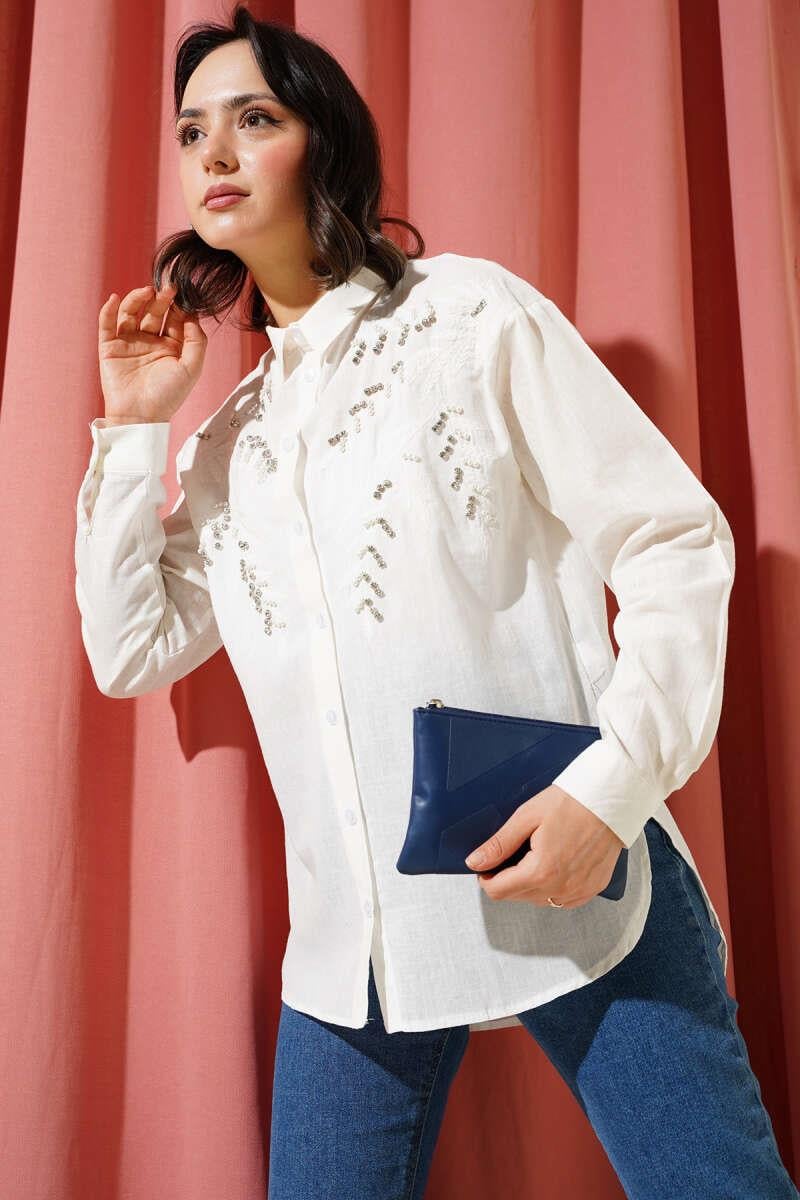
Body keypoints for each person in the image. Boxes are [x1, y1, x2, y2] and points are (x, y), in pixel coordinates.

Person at [74, 6, 800, 1198]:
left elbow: (671, 539)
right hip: (355, 947)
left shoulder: (467, 317)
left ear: (324, 142)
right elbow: (129, 649)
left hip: (574, 874)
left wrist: (607, 795)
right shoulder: (229, 443)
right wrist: (135, 427)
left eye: (252, 118)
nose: (213, 151)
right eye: (191, 129)